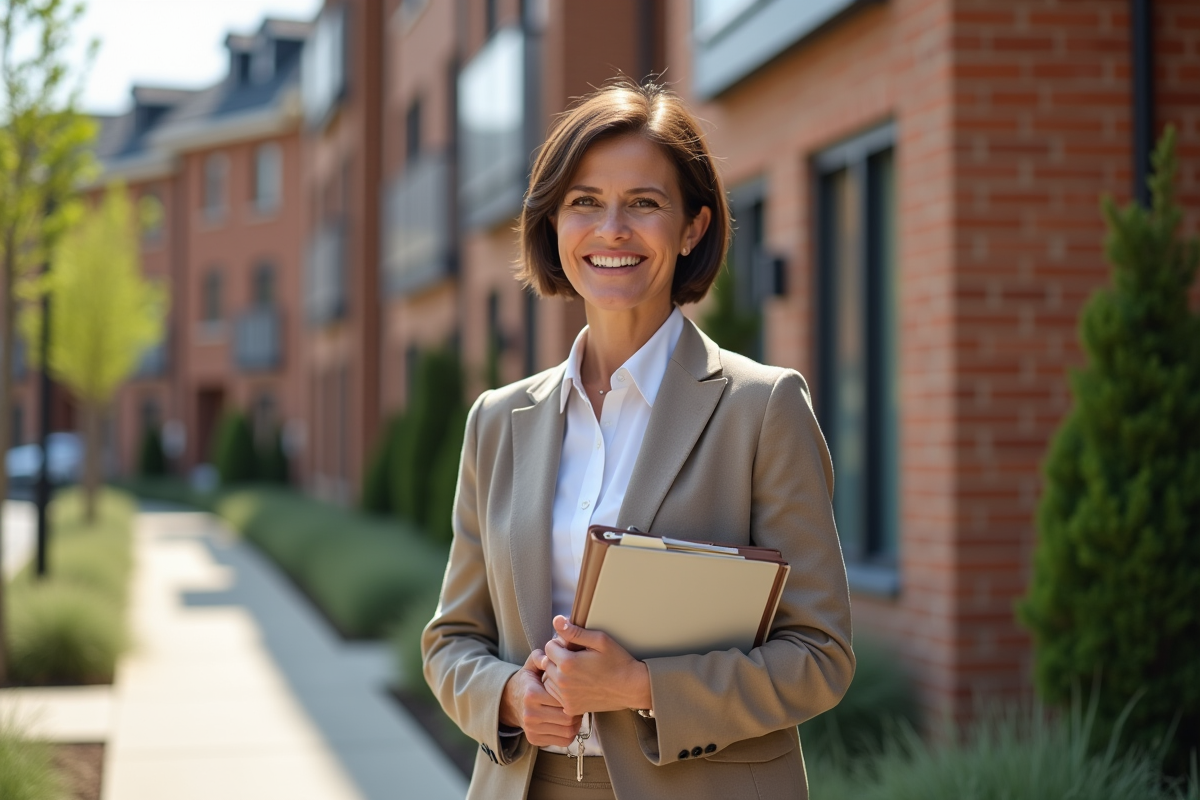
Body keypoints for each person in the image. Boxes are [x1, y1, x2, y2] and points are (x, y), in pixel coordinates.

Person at [422, 79, 854, 800]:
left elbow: (821, 656)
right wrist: (506, 695)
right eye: (585, 201)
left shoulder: (763, 408)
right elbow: (449, 641)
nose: (612, 228)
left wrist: (642, 686)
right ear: (554, 225)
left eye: (644, 203)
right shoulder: (497, 420)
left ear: (692, 228)